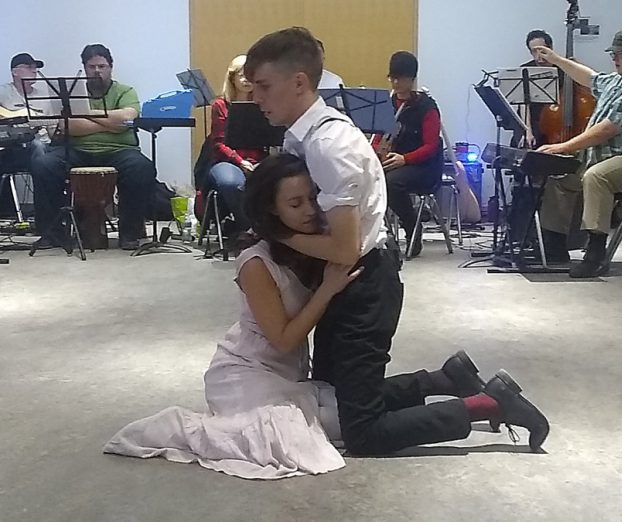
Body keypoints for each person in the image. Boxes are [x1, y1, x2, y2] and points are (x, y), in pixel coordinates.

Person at [104, 154, 546, 478]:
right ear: (272, 211)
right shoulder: (255, 263)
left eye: (311, 199)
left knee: (350, 410)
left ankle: (444, 380)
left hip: (286, 374)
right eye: (294, 204)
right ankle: (481, 403)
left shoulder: (304, 244)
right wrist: (330, 289)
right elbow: (283, 339)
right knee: (346, 429)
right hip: (246, 378)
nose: (310, 210)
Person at [245, 27, 549, 456]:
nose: (256, 97)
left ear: (298, 83)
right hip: (349, 277)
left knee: (362, 433)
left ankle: (486, 403)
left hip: (366, 280)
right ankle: (447, 378)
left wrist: (275, 231)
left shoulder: (328, 145)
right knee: (333, 401)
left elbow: (345, 250)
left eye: (263, 86)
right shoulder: (304, 134)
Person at [535, 29, 622, 277]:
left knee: (597, 176)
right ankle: (554, 247)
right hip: (610, 157)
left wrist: (564, 146)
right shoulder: (619, 80)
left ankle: (596, 253)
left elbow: (607, 129)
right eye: (614, 53)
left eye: (620, 53)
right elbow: (590, 78)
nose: (614, 58)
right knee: (560, 176)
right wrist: (556, 59)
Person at [30, 44, 156, 250]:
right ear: (84, 68)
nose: (97, 71)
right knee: (43, 165)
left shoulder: (126, 91)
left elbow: (126, 118)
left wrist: (86, 114)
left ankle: (130, 233)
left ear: (110, 67)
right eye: (91, 67)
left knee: (141, 168)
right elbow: (69, 126)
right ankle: (52, 234)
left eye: (102, 66)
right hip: (78, 150)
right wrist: (110, 120)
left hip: (120, 151)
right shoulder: (72, 92)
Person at [376, 51, 444, 258]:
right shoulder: (387, 104)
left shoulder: (427, 107)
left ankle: (412, 225)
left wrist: (404, 159)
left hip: (423, 167)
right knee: (370, 178)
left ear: (412, 79)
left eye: (400, 78)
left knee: (390, 183)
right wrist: (376, 151)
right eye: (392, 77)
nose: (395, 82)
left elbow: (431, 146)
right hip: (395, 163)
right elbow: (379, 135)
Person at [205, 55, 265, 234]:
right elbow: (218, 144)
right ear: (232, 79)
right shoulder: (220, 105)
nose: (247, 79)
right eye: (241, 75)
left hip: (258, 159)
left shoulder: (263, 104)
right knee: (232, 183)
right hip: (227, 161)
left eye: (251, 75)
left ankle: (273, 233)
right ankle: (249, 230)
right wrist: (240, 162)